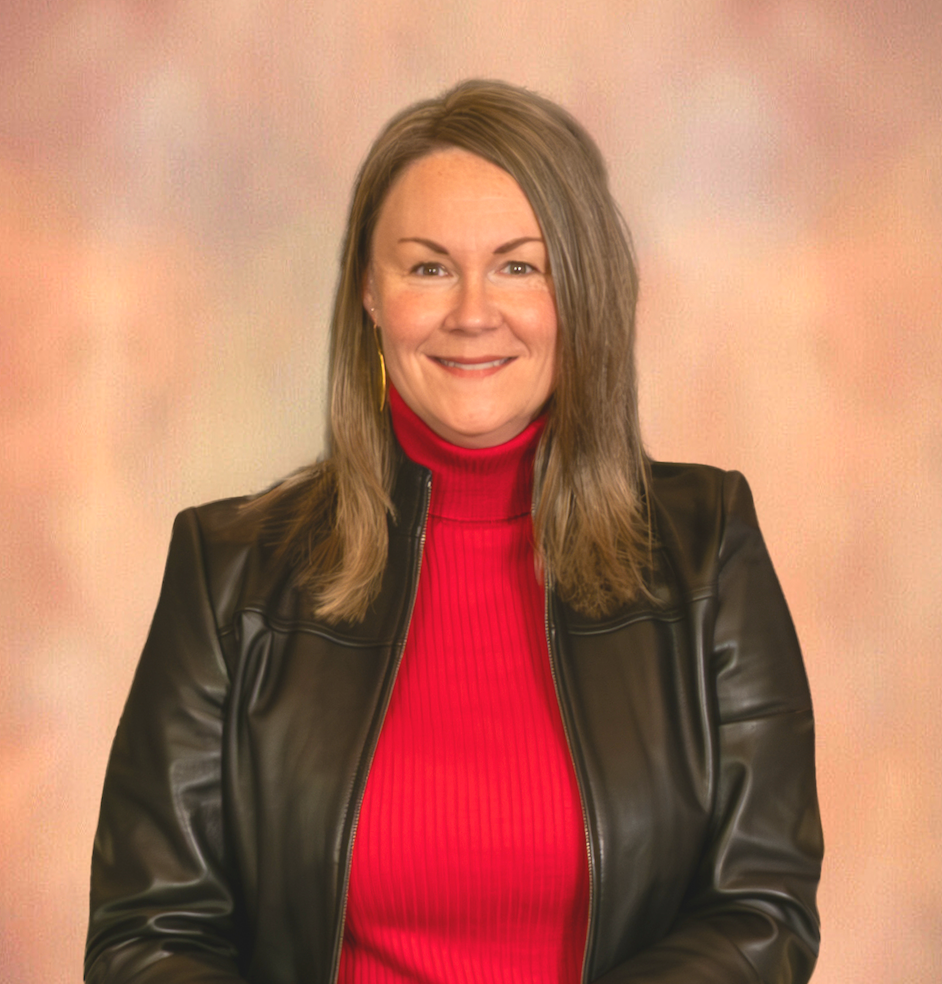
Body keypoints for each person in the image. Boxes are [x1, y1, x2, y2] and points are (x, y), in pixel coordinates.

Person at [86, 79, 823, 984]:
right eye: (428, 266)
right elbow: (147, 938)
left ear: (580, 289)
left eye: (520, 265)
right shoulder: (229, 573)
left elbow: (763, 909)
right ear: (369, 291)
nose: (473, 312)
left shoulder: (706, 549)